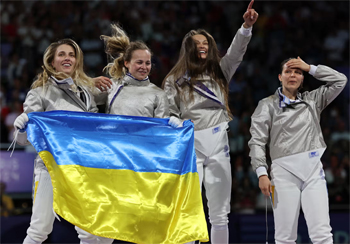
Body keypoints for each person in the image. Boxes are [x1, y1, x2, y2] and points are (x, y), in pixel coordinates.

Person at [162, 1, 258, 243]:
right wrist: (173, 121)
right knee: (188, 208)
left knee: (220, 212)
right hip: (189, 144)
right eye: (197, 44)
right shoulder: (174, 78)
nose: (202, 47)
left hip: (218, 143)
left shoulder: (220, 71)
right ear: (188, 49)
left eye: (205, 43)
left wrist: (246, 27)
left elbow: (236, 52)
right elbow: (166, 111)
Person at [74, 23, 173, 244]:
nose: (144, 67)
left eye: (148, 63)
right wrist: (90, 83)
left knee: (141, 224)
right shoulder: (113, 86)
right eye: (139, 62)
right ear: (126, 63)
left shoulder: (158, 94)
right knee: (104, 225)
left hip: (142, 166)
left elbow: (161, 134)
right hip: (112, 163)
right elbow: (81, 99)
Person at [13, 38, 112, 244]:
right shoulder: (39, 92)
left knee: (89, 231)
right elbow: (23, 140)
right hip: (51, 168)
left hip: (82, 166)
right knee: (40, 229)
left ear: (77, 61)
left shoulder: (85, 92)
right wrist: (21, 126)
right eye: (62, 54)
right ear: (52, 61)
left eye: (72, 55)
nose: (67, 58)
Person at [248, 57, 347, 244]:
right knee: (285, 237)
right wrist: (261, 173)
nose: (293, 74)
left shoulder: (313, 100)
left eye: (297, 72)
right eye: (288, 71)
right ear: (280, 77)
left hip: (313, 172)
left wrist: (310, 68)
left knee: (323, 234)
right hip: (283, 173)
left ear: (302, 78)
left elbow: (340, 80)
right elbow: (257, 141)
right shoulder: (267, 105)